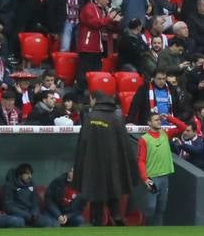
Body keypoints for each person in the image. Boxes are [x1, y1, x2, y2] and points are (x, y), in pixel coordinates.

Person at [74, 78, 137, 226]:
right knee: (113, 193)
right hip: (114, 164)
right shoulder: (117, 117)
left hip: (94, 165)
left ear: (94, 100)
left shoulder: (90, 117)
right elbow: (124, 143)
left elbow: (83, 142)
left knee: (96, 195)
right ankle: (117, 218)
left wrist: (81, 164)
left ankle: (97, 222)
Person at [136, 111, 183, 225]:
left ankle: (158, 231)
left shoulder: (165, 133)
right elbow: (141, 160)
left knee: (161, 208)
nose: (159, 121)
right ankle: (147, 230)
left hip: (164, 176)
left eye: (159, 119)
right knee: (151, 207)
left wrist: (169, 118)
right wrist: (145, 178)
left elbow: (183, 127)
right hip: (152, 177)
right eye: (156, 120)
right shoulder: (144, 139)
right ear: (149, 123)